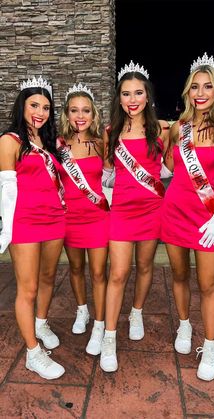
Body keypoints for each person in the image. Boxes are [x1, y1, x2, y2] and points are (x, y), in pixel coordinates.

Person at [161, 52, 214, 381]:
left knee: (207, 284)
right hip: (174, 210)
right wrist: (160, 136)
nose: (201, 93)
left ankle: (210, 344)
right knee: (179, 276)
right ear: (188, 92)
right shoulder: (180, 127)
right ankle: (185, 325)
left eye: (207, 87)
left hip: (208, 216)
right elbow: (169, 169)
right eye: (195, 87)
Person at [99, 60, 170, 372]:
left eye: (137, 92)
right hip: (122, 212)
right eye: (125, 94)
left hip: (152, 210)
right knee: (118, 273)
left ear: (147, 95)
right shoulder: (110, 132)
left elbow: (168, 169)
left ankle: (137, 311)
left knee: (144, 266)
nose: (132, 99)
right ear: (119, 98)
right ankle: (110, 337)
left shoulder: (163, 129)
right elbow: (108, 175)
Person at [0, 76, 66, 380]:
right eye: (34, 105)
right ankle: (32, 352)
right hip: (24, 222)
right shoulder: (10, 141)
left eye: (45, 107)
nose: (40, 112)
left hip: (55, 218)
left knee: (49, 277)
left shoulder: (50, 141)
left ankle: (41, 322)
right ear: (22, 105)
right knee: (27, 288)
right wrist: (6, 230)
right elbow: (6, 190)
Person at [57, 84, 109, 356]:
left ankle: (100, 324)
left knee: (99, 273)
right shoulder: (58, 145)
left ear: (93, 113)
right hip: (70, 218)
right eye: (74, 110)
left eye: (85, 110)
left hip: (97, 216)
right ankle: (82, 311)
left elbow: (114, 175)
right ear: (67, 113)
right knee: (76, 269)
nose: (80, 116)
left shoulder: (102, 142)